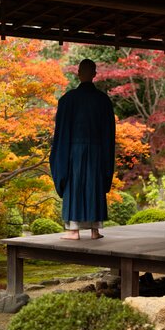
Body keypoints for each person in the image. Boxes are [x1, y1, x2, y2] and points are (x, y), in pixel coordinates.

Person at [50, 58, 115, 240]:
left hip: (73, 151)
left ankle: (73, 230)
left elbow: (61, 132)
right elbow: (109, 134)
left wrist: (61, 157)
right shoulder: (103, 101)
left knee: (74, 184)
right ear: (94, 74)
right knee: (95, 184)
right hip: (97, 151)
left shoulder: (67, 100)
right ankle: (95, 230)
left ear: (78, 74)